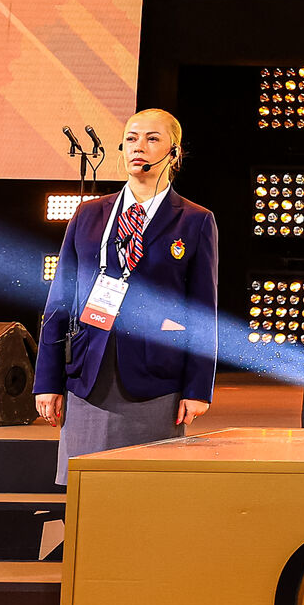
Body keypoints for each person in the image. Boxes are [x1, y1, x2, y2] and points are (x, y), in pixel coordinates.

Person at [34, 108, 219, 485]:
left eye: (153, 139)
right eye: (132, 138)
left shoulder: (195, 220)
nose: (140, 147)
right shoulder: (88, 215)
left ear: (175, 152)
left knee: (144, 491)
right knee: (87, 491)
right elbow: (58, 303)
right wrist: (47, 381)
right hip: (87, 373)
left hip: (155, 378)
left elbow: (204, 311)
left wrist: (198, 388)